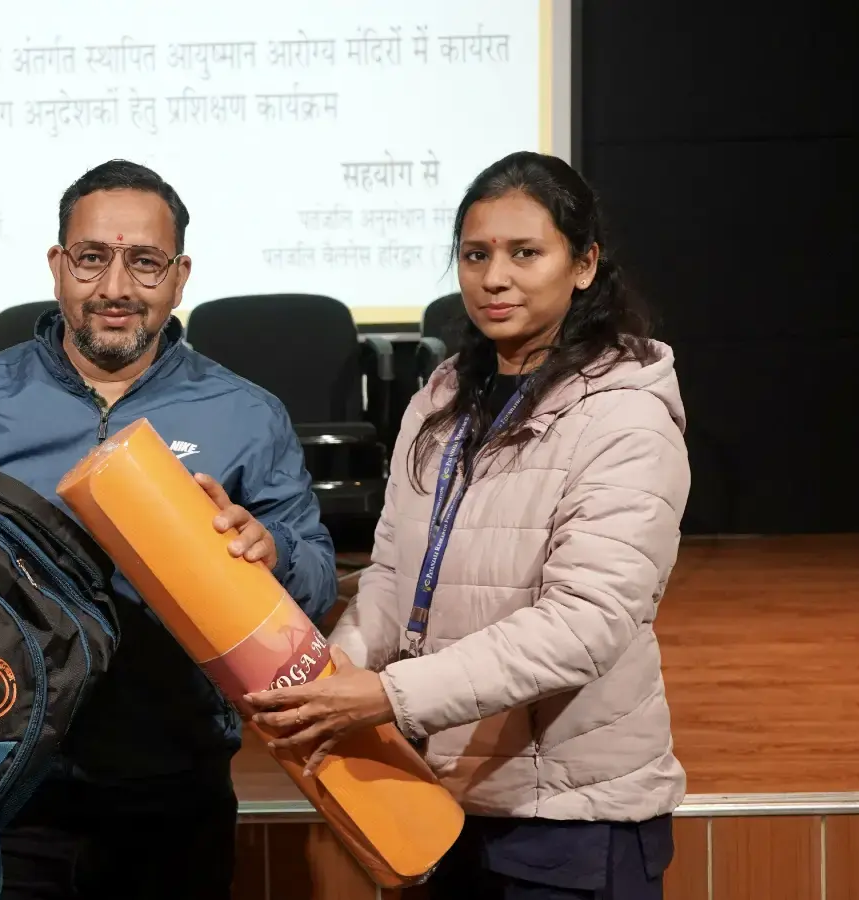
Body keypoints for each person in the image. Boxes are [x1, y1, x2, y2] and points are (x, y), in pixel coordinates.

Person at [0, 159, 337, 899]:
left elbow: (314, 582)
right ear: (57, 267)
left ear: (180, 277)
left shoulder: (246, 414)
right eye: (92, 258)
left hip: (173, 783)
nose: (116, 287)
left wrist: (273, 551)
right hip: (1, 782)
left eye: (145, 262)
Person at [241, 151, 687, 899]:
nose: (494, 277)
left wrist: (387, 696)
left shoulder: (627, 415)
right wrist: (335, 677)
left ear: (584, 265)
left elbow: (587, 622)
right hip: (438, 799)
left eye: (525, 253)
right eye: (476, 255)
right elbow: (392, 576)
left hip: (570, 819)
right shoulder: (443, 399)